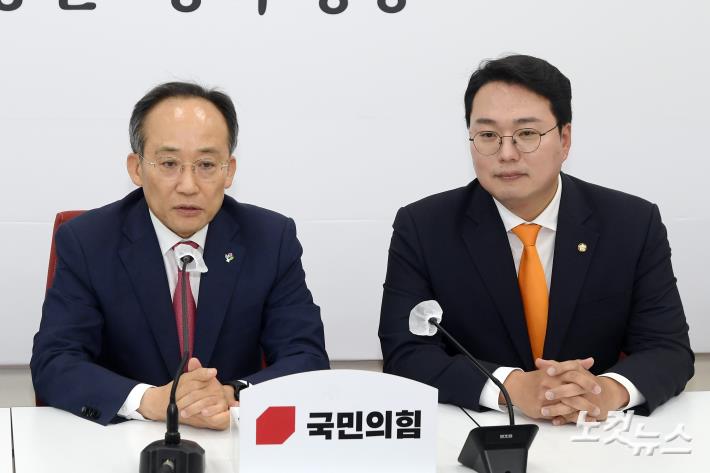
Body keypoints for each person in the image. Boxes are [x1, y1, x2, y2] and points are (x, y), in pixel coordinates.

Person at [379, 55, 693, 425]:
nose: (507, 153)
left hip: (594, 435)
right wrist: (511, 387)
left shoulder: (632, 223)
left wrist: (604, 392)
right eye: (488, 135)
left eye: (527, 134)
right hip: (477, 431)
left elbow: (667, 349)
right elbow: (406, 353)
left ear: (564, 139)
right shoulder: (423, 227)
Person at [32, 82, 329, 429]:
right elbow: (55, 362)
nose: (188, 185)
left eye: (206, 164)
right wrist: (149, 401)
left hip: (231, 437)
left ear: (229, 170)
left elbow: (306, 357)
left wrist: (230, 394)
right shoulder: (88, 241)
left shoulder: (270, 239)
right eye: (169, 163)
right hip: (121, 438)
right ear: (136, 168)